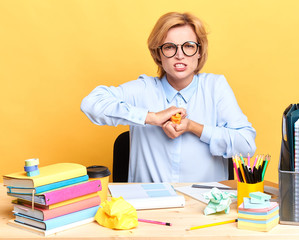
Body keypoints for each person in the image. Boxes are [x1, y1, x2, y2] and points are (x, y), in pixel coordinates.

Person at [81, 12, 256, 183]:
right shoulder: (143, 88)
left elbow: (247, 146)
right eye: (170, 47)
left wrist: (193, 127)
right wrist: (152, 118)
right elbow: (90, 103)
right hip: (150, 206)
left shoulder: (215, 87)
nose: (179, 55)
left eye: (188, 46)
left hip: (205, 206)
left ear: (199, 52)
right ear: (158, 54)